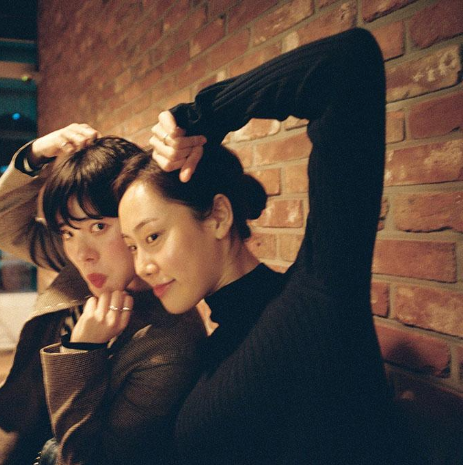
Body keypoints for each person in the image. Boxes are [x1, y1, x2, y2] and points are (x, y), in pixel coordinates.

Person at [115, 28, 408, 463]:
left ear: (218, 216)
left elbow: (346, 65)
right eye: (132, 246)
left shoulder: (316, 299)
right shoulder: (212, 345)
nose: (142, 266)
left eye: (152, 237)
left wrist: (197, 120)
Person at [0, 125, 206, 465]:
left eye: (98, 227)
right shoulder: (84, 263)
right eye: (67, 232)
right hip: (16, 441)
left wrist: (82, 350)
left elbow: (91, 458)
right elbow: (2, 226)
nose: (82, 254)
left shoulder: (169, 343)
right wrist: (35, 155)